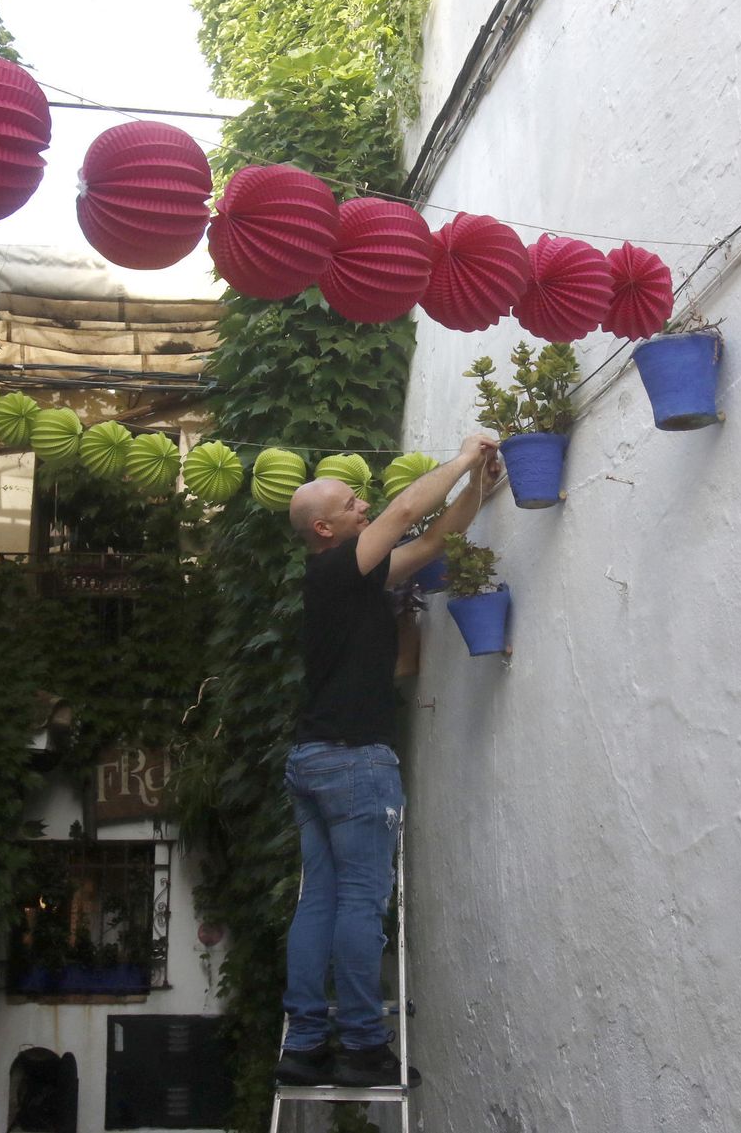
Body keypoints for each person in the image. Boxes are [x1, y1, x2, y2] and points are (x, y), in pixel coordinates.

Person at [275, 434, 502, 1088]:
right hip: (353, 761)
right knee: (357, 903)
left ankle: (307, 1043)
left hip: (314, 760)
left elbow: (433, 541)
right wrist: (462, 455)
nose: (364, 503)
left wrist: (478, 484)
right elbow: (406, 513)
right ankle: (362, 1044)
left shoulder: (353, 578)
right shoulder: (335, 567)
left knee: (318, 901)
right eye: (351, 503)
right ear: (326, 527)